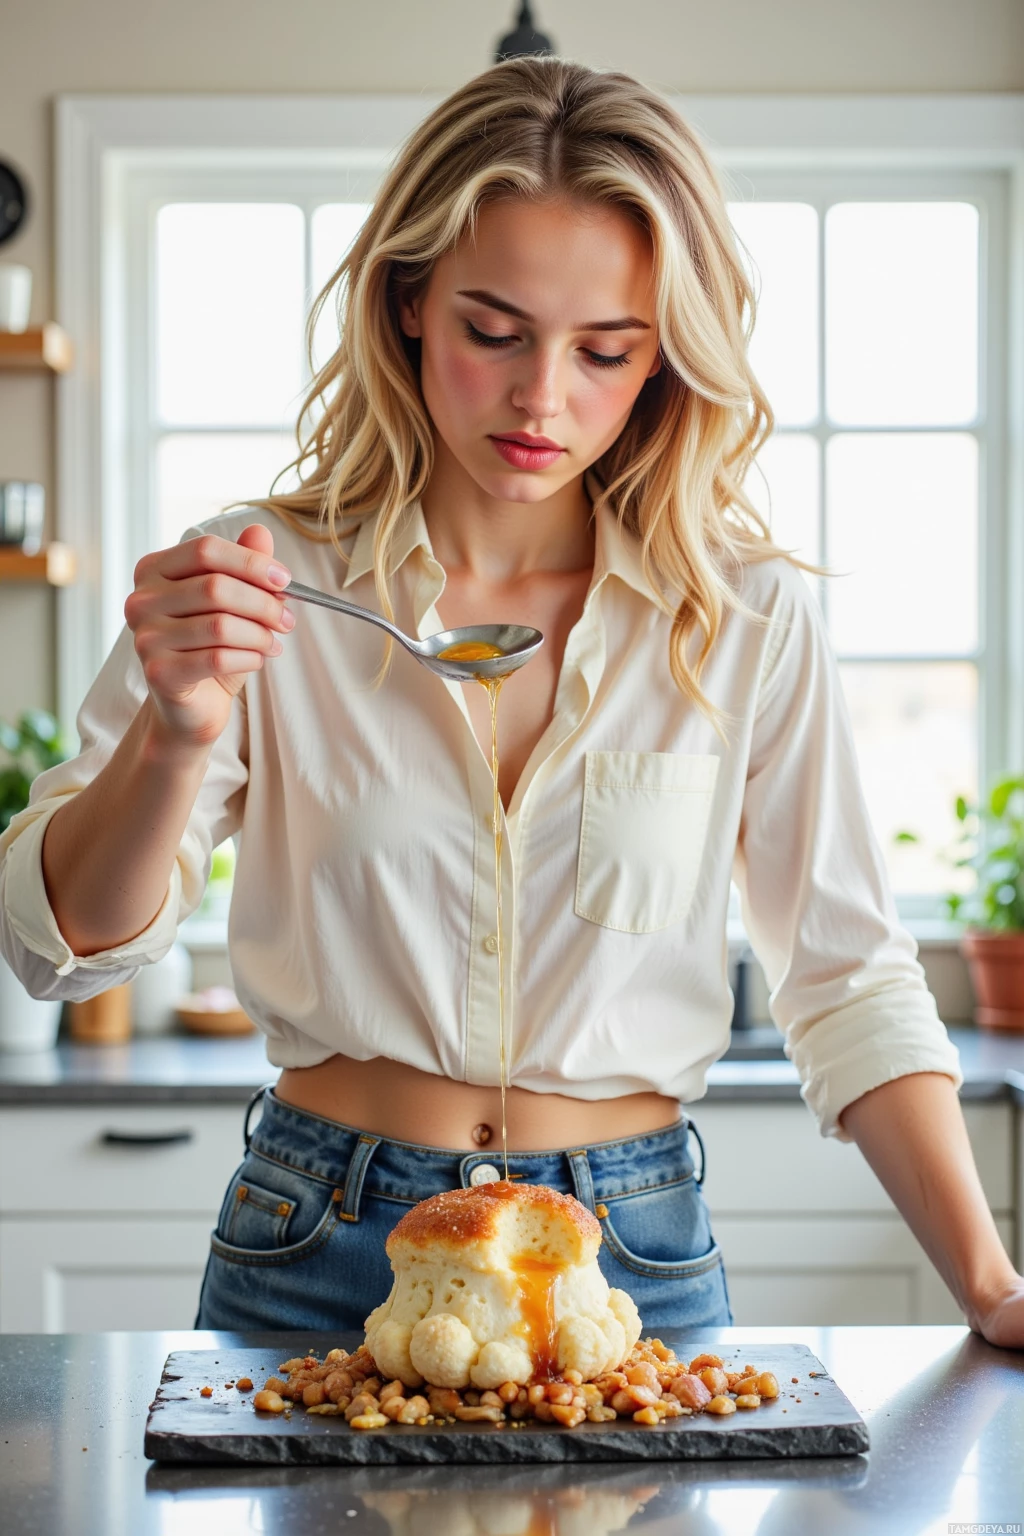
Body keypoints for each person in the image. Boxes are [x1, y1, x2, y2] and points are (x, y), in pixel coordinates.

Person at [1, 56, 1021, 1349]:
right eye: (496, 331)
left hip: (626, 1259)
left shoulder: (745, 609)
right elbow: (58, 942)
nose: (545, 398)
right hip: (323, 1241)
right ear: (411, 302)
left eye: (607, 350)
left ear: (665, 358)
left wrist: (992, 1285)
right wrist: (176, 731)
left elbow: (849, 978)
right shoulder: (266, 579)